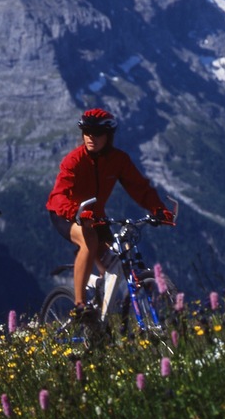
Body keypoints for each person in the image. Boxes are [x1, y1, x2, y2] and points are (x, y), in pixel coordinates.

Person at [45, 107, 174, 317]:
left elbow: (139, 187)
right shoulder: (74, 160)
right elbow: (59, 195)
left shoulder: (118, 160)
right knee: (89, 241)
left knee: (115, 262)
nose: (90, 137)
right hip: (65, 214)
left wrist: (158, 209)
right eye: (86, 132)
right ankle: (80, 306)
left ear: (108, 136)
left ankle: (102, 318)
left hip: (96, 217)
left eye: (96, 133)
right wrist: (76, 213)